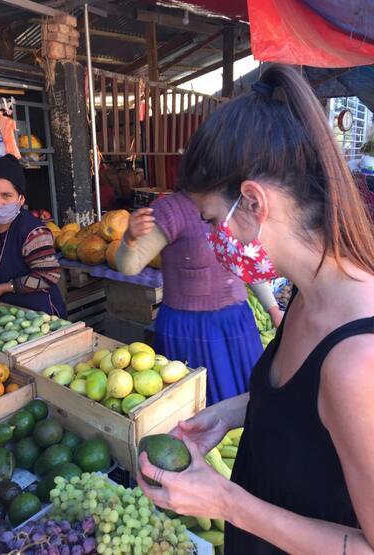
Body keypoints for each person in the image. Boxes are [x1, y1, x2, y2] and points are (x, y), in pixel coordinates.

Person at [137, 64, 374, 554]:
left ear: (252, 202)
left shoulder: (358, 359)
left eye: (210, 220)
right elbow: (309, 413)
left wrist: (227, 502)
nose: (210, 237)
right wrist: (233, 412)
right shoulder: (309, 295)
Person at [115, 193, 282, 405]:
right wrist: (129, 239)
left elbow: (247, 261)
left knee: (250, 406)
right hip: (191, 331)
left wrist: (273, 310)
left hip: (236, 324)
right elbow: (129, 266)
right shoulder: (170, 211)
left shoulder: (232, 202)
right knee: (200, 409)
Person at [0, 154, 66, 317]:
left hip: (38, 316)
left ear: (20, 199)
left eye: (6, 195)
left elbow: (49, 276)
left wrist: (4, 288)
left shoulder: (33, 232)